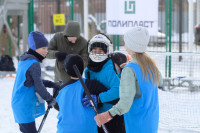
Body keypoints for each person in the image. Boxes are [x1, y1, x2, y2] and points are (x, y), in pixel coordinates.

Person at [94, 27, 161, 133]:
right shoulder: (150, 66)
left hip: (136, 123)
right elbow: (158, 81)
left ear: (131, 45)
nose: (124, 45)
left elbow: (125, 103)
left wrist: (107, 115)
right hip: (150, 121)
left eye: (126, 42)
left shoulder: (129, 70)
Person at [11, 31, 58, 133]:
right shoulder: (34, 63)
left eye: (47, 48)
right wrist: (50, 99)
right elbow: (38, 86)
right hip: (24, 104)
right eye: (43, 48)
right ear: (34, 48)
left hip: (19, 102)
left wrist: (51, 84)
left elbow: (32, 80)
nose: (46, 51)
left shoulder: (24, 60)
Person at [82, 34, 125, 133]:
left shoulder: (109, 67)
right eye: (94, 50)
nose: (97, 53)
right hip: (97, 115)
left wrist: (98, 98)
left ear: (107, 51)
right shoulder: (88, 70)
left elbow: (118, 90)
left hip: (112, 114)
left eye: (100, 50)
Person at [56, 54, 108, 133]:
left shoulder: (61, 89)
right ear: (83, 67)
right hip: (86, 129)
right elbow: (109, 97)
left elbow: (58, 106)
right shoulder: (92, 85)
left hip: (64, 130)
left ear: (66, 70)